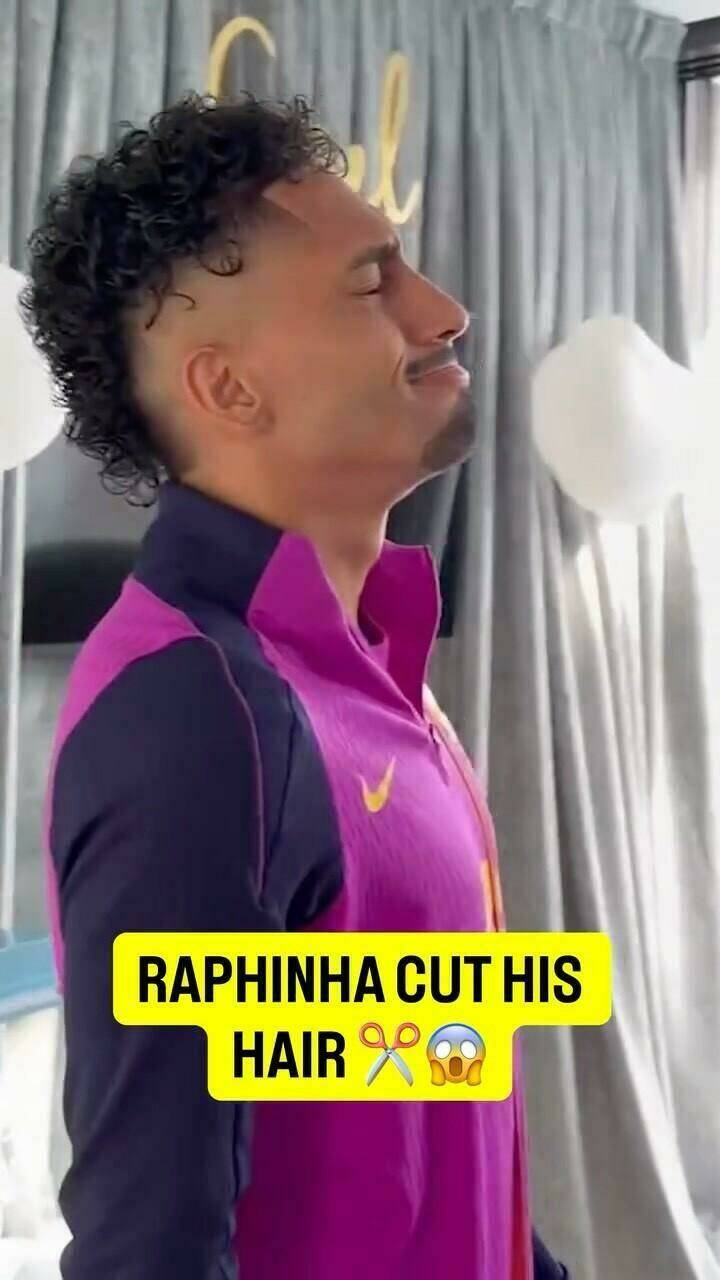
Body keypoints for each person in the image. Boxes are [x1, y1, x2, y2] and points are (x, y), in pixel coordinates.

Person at [22, 92, 569, 1280]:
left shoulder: (379, 668)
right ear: (229, 390)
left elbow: (417, 1077)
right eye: (374, 284)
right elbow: (148, 1251)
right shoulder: (198, 714)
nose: (446, 310)